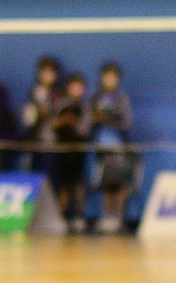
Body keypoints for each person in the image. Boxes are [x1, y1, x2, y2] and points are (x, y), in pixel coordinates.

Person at [89, 62, 136, 233]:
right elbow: (88, 121)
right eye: (107, 76)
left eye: (113, 76)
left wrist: (111, 118)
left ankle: (120, 218)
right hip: (102, 145)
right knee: (106, 183)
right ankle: (108, 217)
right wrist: (96, 119)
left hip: (119, 145)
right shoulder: (96, 98)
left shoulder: (121, 99)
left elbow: (127, 122)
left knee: (121, 182)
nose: (110, 80)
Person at [52, 73, 91, 231]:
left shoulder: (85, 107)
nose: (76, 90)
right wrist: (63, 121)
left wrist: (74, 123)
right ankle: (62, 216)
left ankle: (79, 216)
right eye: (74, 86)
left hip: (78, 151)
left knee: (79, 185)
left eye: (79, 87)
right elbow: (52, 124)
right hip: (62, 150)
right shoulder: (60, 104)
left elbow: (85, 130)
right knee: (64, 185)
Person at [22, 56, 63, 173]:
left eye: (51, 72)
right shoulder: (33, 92)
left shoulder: (59, 93)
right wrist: (36, 114)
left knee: (48, 171)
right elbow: (28, 117)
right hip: (34, 140)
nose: (47, 76)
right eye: (45, 72)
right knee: (31, 170)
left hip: (51, 141)